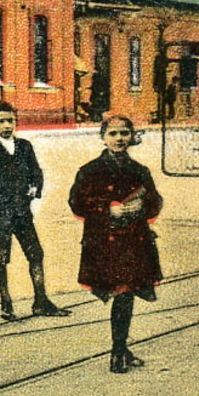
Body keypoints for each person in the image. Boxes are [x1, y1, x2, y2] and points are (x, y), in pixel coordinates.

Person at [69, 115, 164, 374]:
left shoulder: (140, 170)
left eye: (124, 133)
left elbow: (155, 202)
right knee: (122, 293)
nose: (120, 139)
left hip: (133, 242)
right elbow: (76, 203)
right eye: (113, 134)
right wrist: (107, 208)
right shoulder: (90, 171)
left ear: (131, 137)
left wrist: (142, 205)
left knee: (125, 293)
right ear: (103, 137)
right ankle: (119, 350)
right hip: (104, 243)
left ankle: (119, 350)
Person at [0, 100, 72, 320]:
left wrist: (34, 187)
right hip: (1, 214)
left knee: (36, 254)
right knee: (1, 259)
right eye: (1, 121)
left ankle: (40, 301)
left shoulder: (25, 146)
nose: (7, 125)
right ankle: (6, 304)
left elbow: (36, 171)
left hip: (23, 212)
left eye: (10, 120)